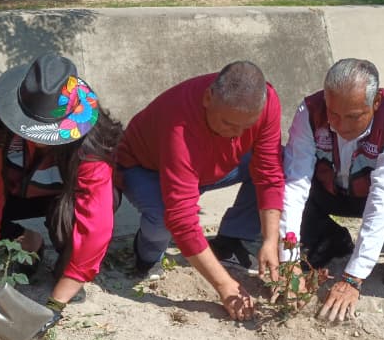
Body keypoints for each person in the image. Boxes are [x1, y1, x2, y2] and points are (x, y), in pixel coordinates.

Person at [116, 61, 284, 320]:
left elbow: (269, 172)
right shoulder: (179, 128)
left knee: (275, 160)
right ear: (208, 98)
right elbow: (181, 219)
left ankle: (231, 241)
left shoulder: (266, 101)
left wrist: (271, 240)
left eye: (246, 126)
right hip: (147, 168)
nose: (237, 135)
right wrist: (225, 286)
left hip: (211, 166)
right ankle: (146, 256)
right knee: (163, 218)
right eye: (229, 124)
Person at [282, 59, 384, 322]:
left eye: (353, 116)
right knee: (279, 189)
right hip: (331, 189)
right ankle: (332, 240)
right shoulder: (310, 110)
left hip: (379, 193)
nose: (341, 125)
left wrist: (352, 278)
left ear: (375, 104)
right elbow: (295, 184)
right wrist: (289, 260)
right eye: (334, 114)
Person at [0, 53, 122, 312]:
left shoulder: (93, 145)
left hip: (63, 197)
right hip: (16, 193)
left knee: (69, 230)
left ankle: (64, 269)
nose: (40, 139)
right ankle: (29, 241)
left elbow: (95, 225)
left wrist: (55, 304)